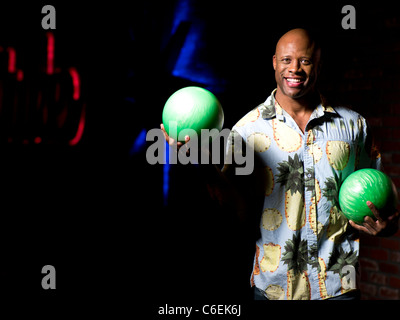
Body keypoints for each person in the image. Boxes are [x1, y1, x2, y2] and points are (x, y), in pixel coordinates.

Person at [160, 28, 399, 300]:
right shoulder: (246, 131)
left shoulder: (354, 126)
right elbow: (234, 212)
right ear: (275, 62)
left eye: (305, 61)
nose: (294, 69)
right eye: (286, 60)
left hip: (339, 286)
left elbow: (381, 203)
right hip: (274, 289)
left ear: (318, 64)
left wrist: (387, 225)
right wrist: (200, 162)